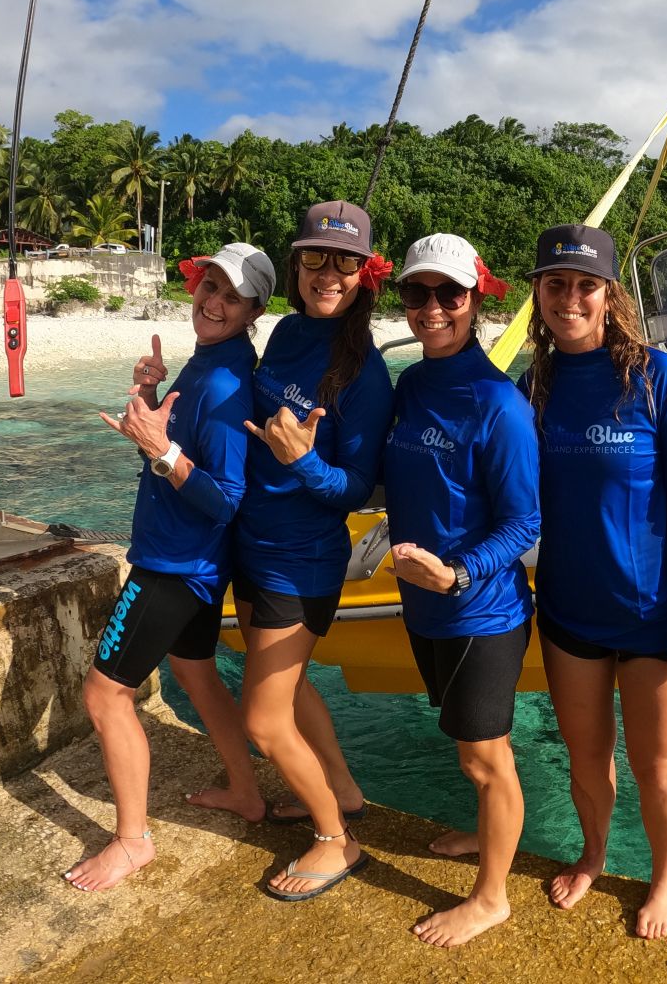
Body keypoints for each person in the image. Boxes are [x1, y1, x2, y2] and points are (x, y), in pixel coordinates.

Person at [522, 223, 667, 939]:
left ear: (609, 295)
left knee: (657, 768)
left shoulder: (655, 376)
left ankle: (665, 877)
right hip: (569, 612)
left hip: (652, 616)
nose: (569, 297)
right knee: (586, 757)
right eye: (555, 284)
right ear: (539, 292)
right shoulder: (534, 384)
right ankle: (594, 854)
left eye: (584, 285)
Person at [66, 243, 274, 891]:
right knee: (197, 673)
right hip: (195, 566)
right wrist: (153, 402)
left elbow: (225, 500)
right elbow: (182, 451)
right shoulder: (213, 362)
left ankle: (132, 842)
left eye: (229, 296)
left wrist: (159, 450)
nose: (211, 301)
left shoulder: (226, 381)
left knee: (105, 696)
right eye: (207, 286)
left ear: (254, 310)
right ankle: (247, 792)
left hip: (175, 567)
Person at [233, 201, 394, 901]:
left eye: (345, 261)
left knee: (263, 721)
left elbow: (356, 490)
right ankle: (345, 791)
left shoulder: (365, 370)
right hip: (255, 541)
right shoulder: (289, 332)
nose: (328, 273)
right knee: (292, 690)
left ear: (366, 274)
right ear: (295, 264)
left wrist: (302, 461)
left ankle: (336, 839)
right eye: (316, 258)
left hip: (299, 559)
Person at [383, 233, 539, 947]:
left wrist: (460, 572)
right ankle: (488, 835)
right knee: (468, 751)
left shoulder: (498, 404)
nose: (433, 308)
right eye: (419, 293)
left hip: (483, 607)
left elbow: (526, 518)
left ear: (477, 300)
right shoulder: (412, 385)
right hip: (424, 605)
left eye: (450, 294)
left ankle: (492, 898)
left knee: (485, 756)